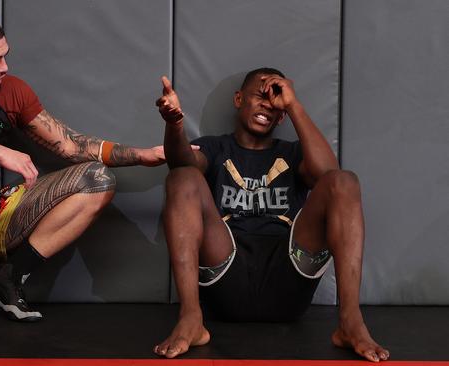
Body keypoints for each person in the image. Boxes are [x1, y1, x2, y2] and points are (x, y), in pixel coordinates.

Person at [0, 10, 167, 330]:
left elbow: (71, 145)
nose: (4, 68)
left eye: (5, 57)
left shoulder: (11, 90)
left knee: (97, 178)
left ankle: (4, 278)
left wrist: (142, 155)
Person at [153, 68, 390, 362]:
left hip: (288, 278)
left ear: (281, 117)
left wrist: (293, 105)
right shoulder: (216, 147)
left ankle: (350, 322)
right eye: (259, 95)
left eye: (275, 100)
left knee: (345, 182)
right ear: (239, 99)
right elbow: (180, 161)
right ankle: (190, 318)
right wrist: (175, 124)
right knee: (182, 178)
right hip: (227, 273)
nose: (267, 104)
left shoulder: (293, 154)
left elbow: (329, 175)